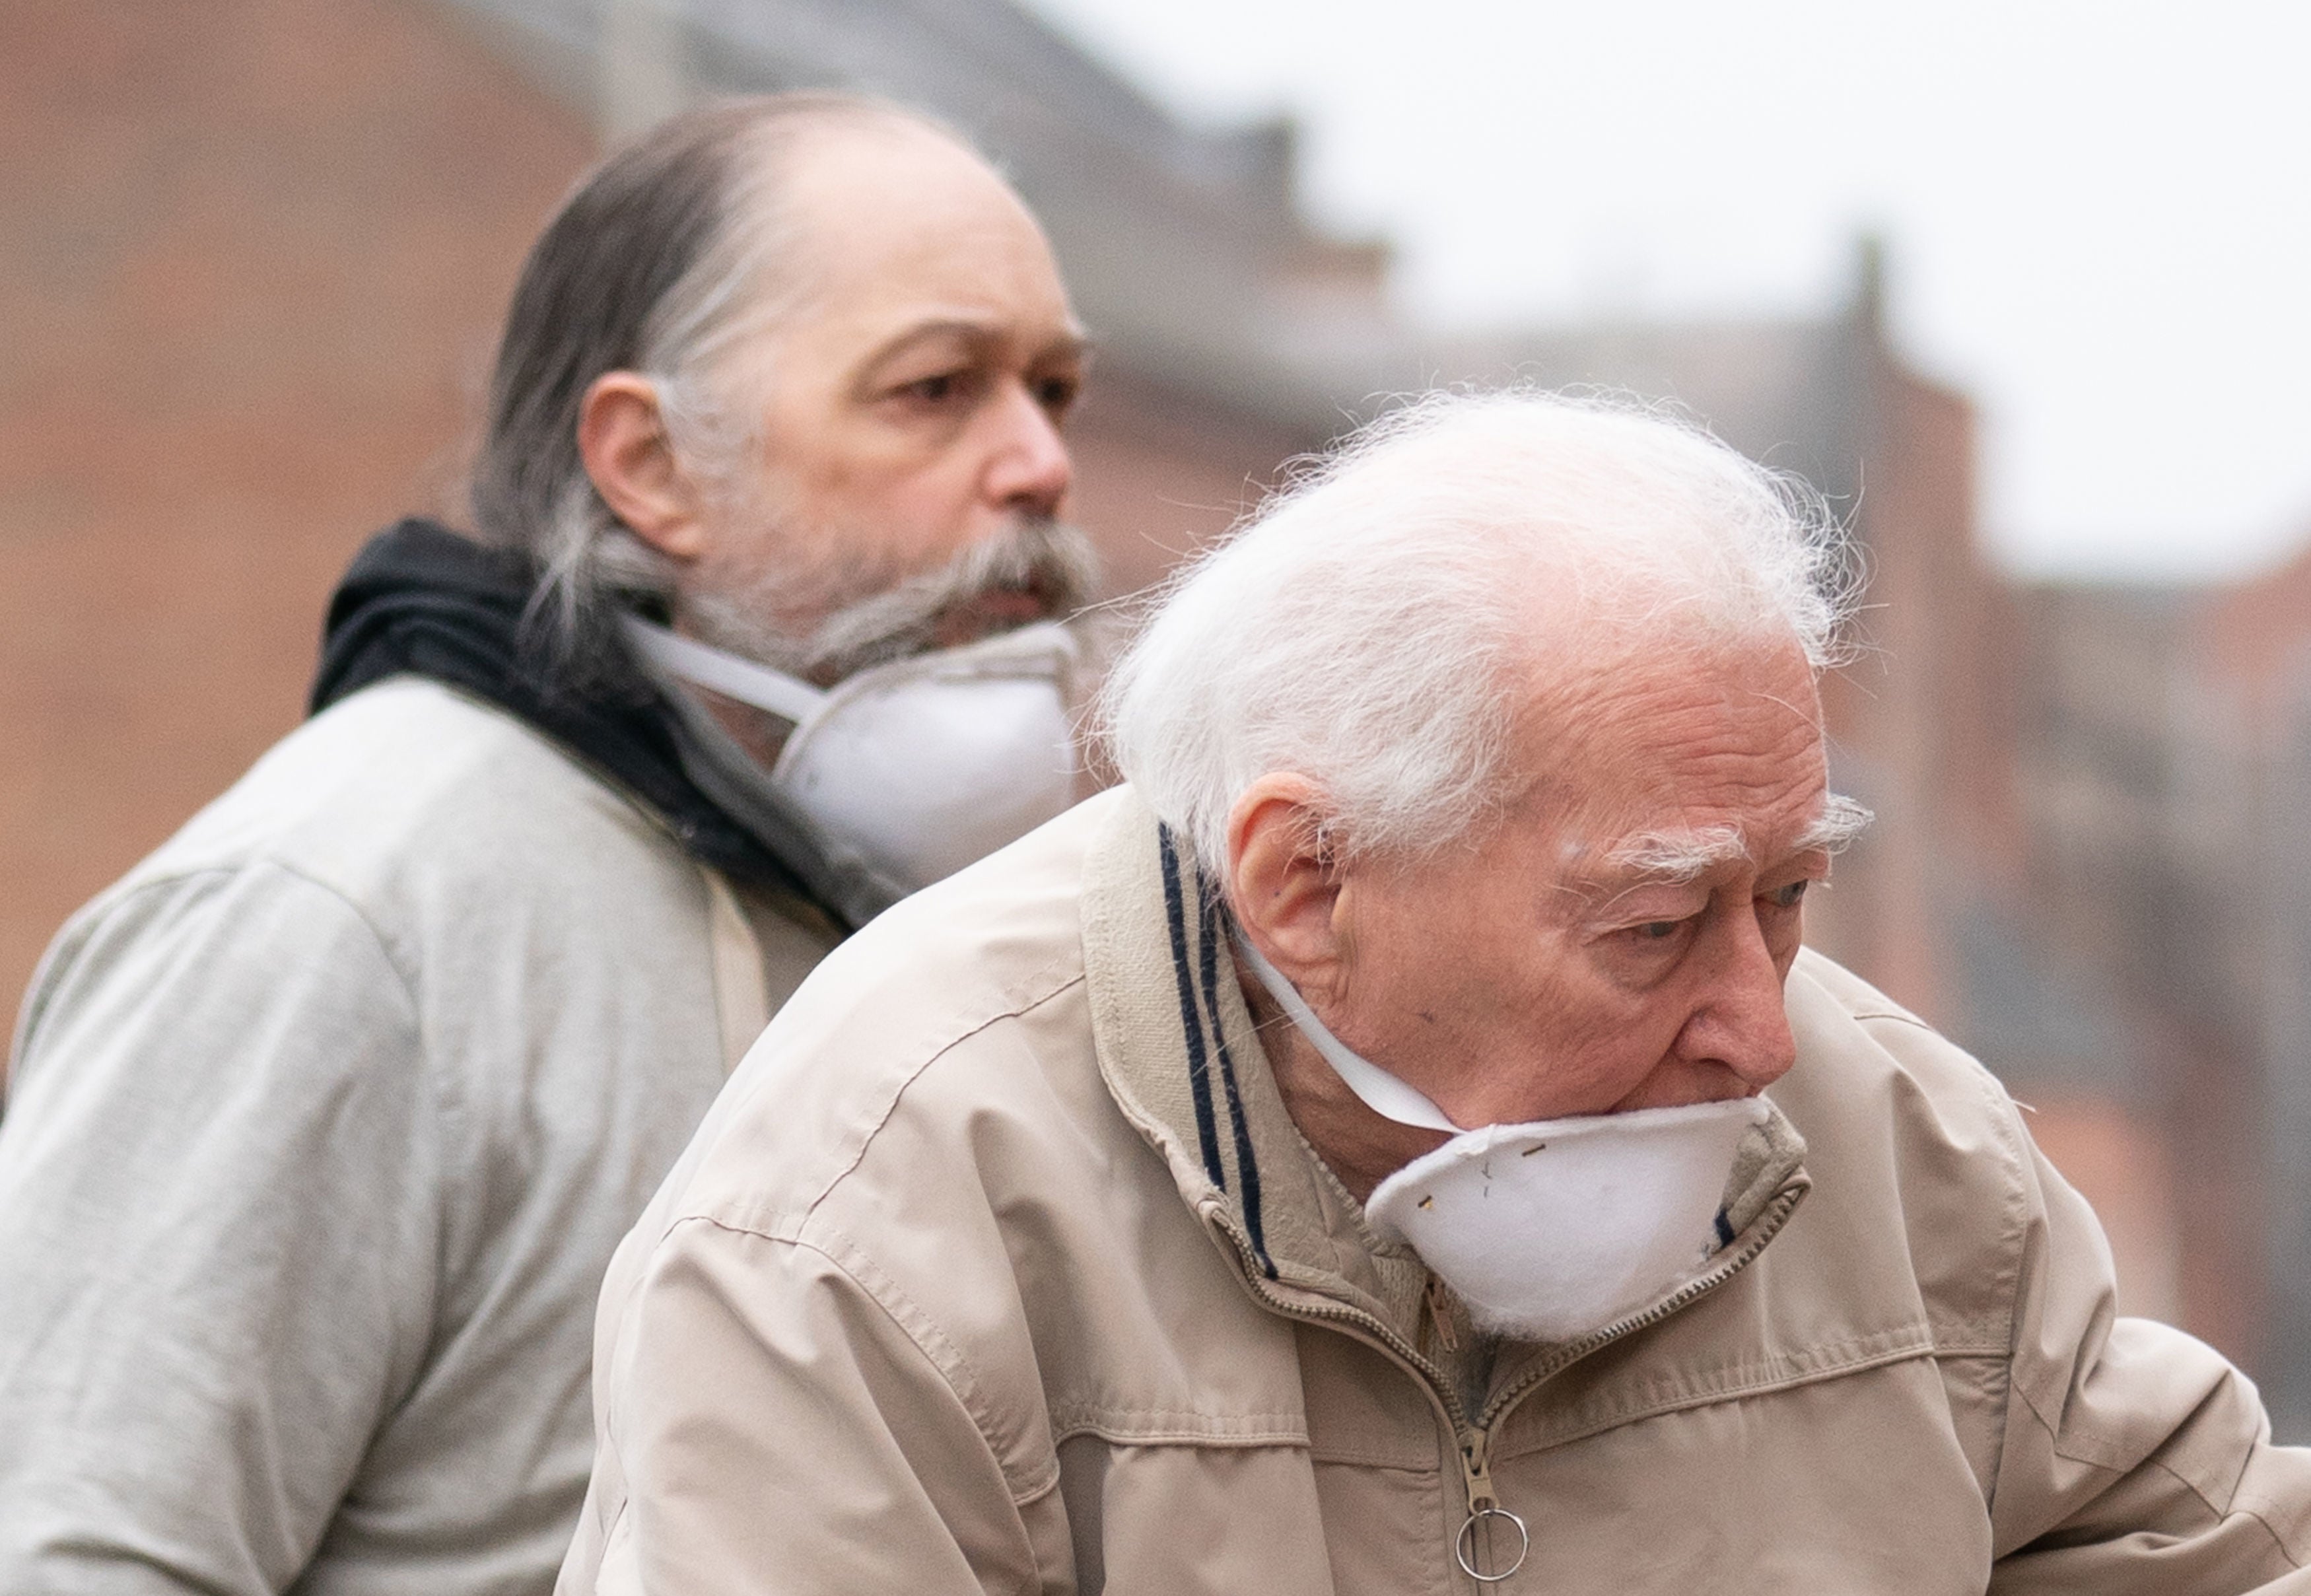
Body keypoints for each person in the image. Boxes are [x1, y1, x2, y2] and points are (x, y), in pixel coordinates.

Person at [563, 390, 2311, 1594]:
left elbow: (2212, 1552)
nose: (1758, 1031)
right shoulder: (866, 1229)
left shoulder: (1901, 1149)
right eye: (1654, 924)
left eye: (1783, 898)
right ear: (1304, 885)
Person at [0, 93, 1096, 1595]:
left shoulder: (910, 919)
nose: (1038, 463)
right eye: (934, 390)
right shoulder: (340, 913)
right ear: (648, 464)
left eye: (1053, 390)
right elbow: (77, 1553)